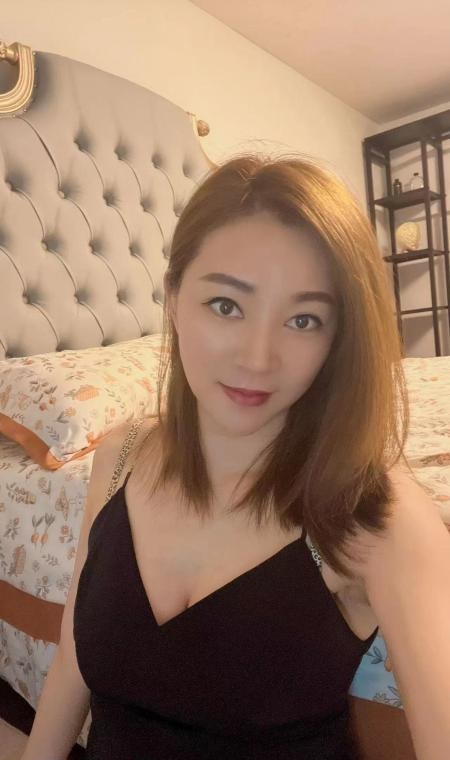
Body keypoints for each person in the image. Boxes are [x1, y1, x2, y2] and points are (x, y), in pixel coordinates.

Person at [21, 154, 450, 760]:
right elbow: (74, 658)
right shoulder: (120, 456)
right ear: (174, 299)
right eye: (226, 305)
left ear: (338, 338)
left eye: (304, 320)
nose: (257, 358)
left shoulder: (376, 511)